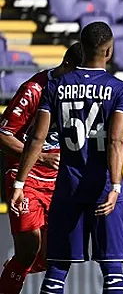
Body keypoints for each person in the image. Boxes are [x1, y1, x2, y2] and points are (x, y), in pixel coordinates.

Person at [9, 21, 123, 294]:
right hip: (102, 188)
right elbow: (116, 140)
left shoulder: (56, 87)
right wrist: (115, 186)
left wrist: (19, 184)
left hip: (67, 189)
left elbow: (36, 138)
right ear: (109, 51)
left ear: (82, 47)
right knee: (112, 272)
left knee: (56, 273)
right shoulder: (121, 90)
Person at [0, 43, 82, 294]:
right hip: (27, 178)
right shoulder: (34, 90)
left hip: (59, 182)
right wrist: (40, 157)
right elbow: (4, 135)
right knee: (28, 247)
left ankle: (13, 269)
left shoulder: (79, 92)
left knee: (51, 256)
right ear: (66, 65)